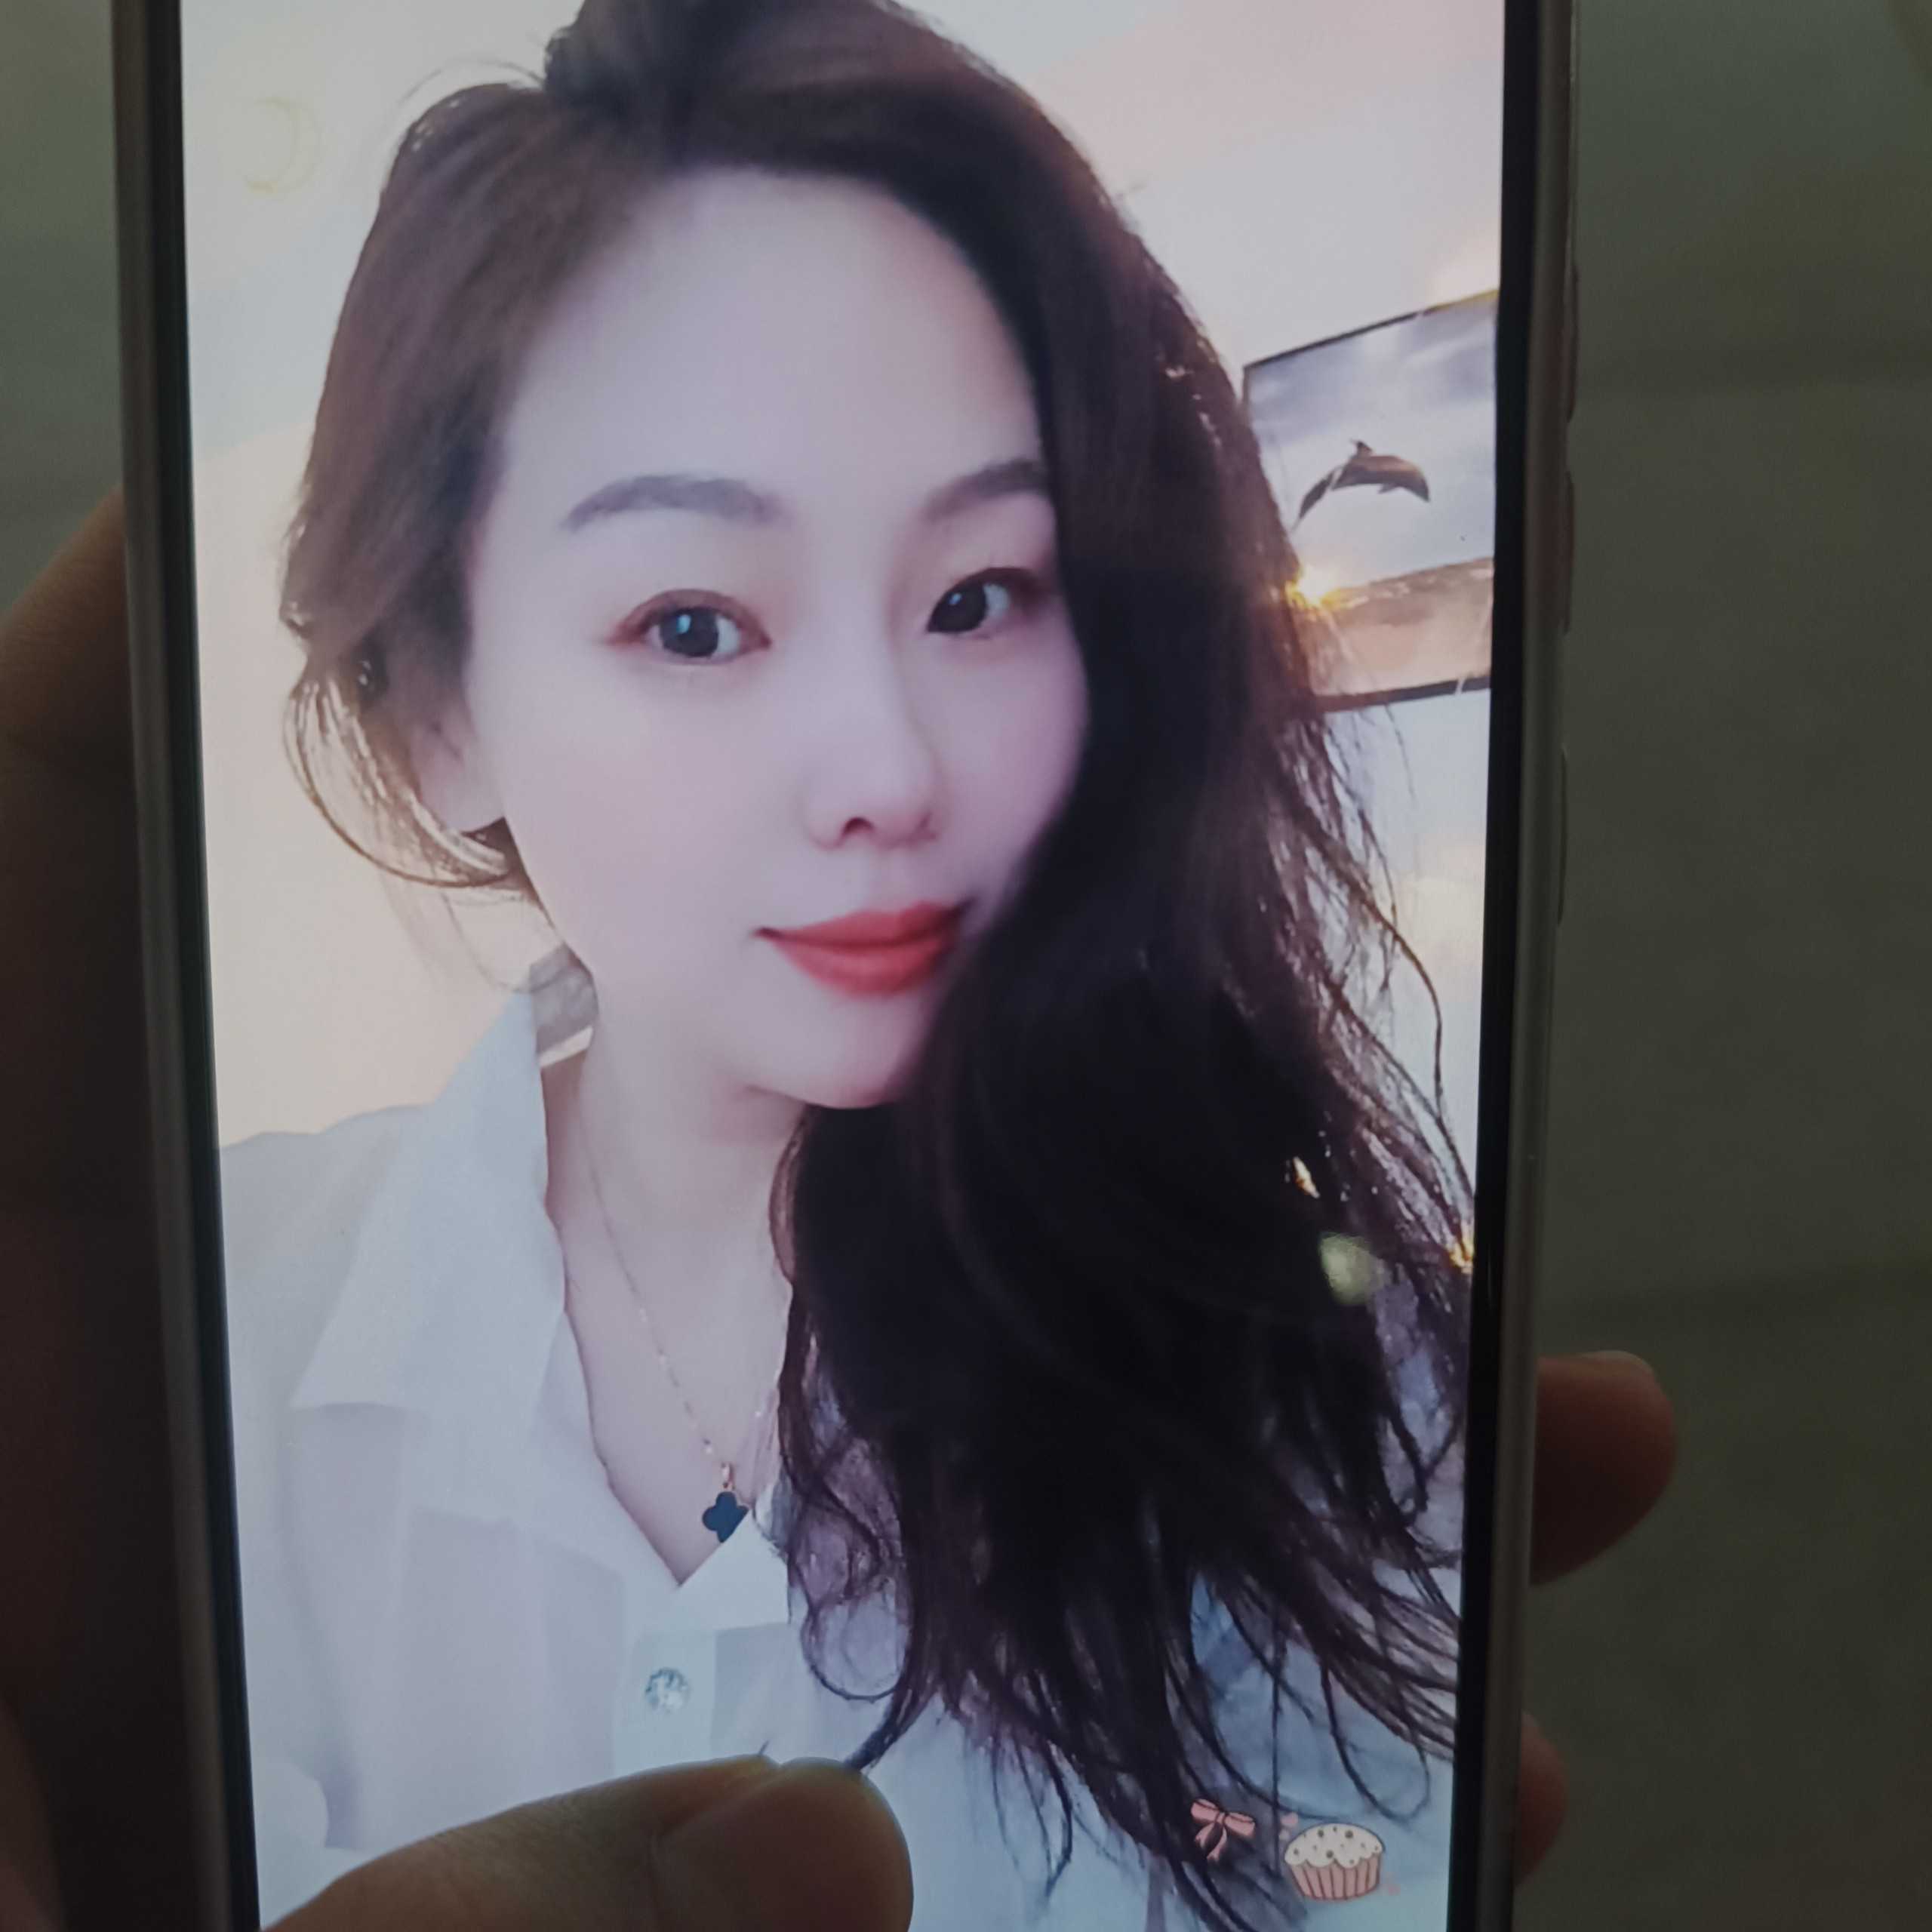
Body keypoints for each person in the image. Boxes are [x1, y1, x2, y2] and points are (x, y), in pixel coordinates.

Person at [0, 6, 1677, 1930]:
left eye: (979, 595)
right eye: (694, 622)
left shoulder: (1311, 1357)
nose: (887, 769)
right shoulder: (210, 1323)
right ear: (438, 710)